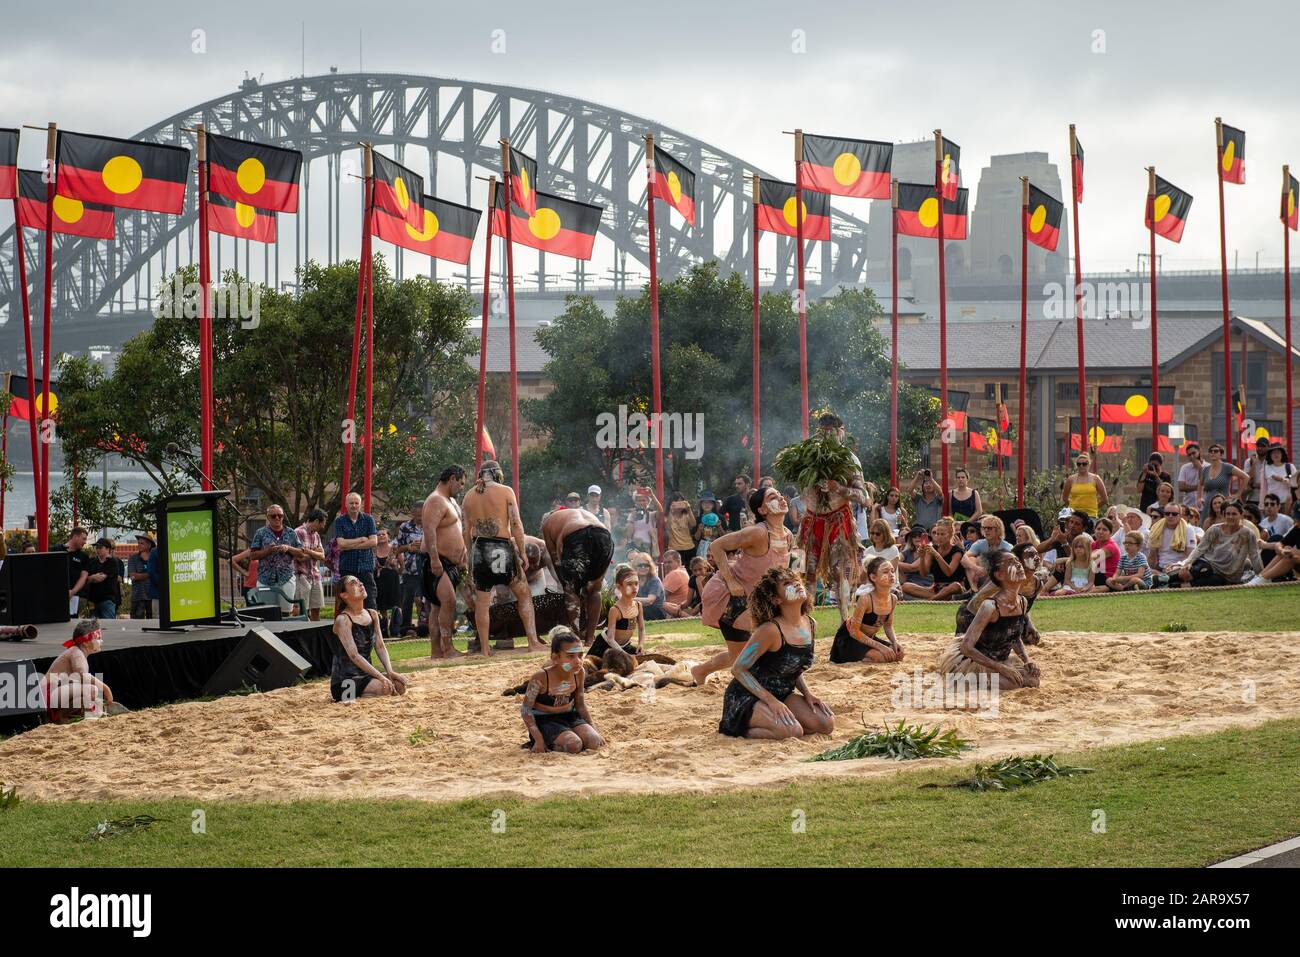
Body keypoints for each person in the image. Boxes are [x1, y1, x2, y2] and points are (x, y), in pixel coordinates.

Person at [692, 486, 795, 686]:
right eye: (773, 497)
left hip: (753, 597)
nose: (781, 498)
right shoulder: (757, 533)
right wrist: (731, 582)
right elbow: (716, 546)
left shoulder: (788, 535)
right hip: (727, 594)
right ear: (762, 510)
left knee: (738, 654)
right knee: (764, 640)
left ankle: (700, 670)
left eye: (780, 495)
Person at [718, 566, 833, 739]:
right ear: (776, 599)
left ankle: (779, 722)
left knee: (826, 723)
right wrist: (770, 701)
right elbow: (738, 669)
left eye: (796, 580)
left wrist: (807, 694)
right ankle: (736, 729)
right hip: (748, 697)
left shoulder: (810, 623)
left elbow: (791, 666)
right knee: (791, 731)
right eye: (788, 583)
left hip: (782, 693)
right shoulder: (770, 630)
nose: (796, 584)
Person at [796, 411, 872, 623]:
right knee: (802, 572)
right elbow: (800, 488)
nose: (826, 436)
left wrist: (838, 487)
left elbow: (864, 497)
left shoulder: (849, 459)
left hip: (839, 522)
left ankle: (844, 623)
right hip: (810, 522)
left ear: (841, 432)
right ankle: (801, 621)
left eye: (831, 432)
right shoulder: (807, 456)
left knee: (841, 575)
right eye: (822, 432)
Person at [462, 460, 541, 655]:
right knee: (524, 594)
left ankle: (485, 649)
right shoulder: (506, 491)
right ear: (497, 474)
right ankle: (532, 642)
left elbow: (465, 531)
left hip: (480, 549)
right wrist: (522, 552)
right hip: (501, 547)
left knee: (482, 602)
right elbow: (516, 523)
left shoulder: (469, 496)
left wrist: (471, 557)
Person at [937, 551, 1040, 689]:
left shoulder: (1022, 602)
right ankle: (966, 681)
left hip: (1000, 659)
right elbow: (966, 647)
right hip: (978, 661)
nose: (1018, 564)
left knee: (1033, 680)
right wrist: (1001, 669)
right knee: (1013, 683)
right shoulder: (990, 606)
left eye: (1017, 560)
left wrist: (1026, 660)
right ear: (999, 575)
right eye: (1010, 562)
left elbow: (1014, 637)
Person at [521, 627, 606, 754]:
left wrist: (594, 728)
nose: (578, 661)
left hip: (570, 716)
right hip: (546, 721)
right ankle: (552, 741)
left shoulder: (579, 673)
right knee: (573, 745)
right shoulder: (541, 677)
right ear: (555, 657)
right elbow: (526, 709)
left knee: (593, 741)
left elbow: (580, 704)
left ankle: (568, 734)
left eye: (580, 655)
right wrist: (538, 739)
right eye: (570, 656)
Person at [542, 505, 615, 646]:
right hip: (604, 537)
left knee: (571, 589)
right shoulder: (577, 514)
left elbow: (556, 560)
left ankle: (575, 638)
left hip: (577, 537)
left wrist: (567, 586)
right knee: (595, 589)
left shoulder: (548, 523)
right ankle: (589, 639)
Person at [329, 574, 408, 702]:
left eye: (360, 581)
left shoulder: (372, 614)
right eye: (353, 583)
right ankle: (355, 698)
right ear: (344, 595)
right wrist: (381, 677)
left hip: (366, 675)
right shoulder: (343, 620)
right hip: (345, 681)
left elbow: (380, 646)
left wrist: (390, 672)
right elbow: (354, 655)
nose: (360, 584)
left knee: (400, 686)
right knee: (385, 688)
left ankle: (366, 693)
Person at [421, 465, 469, 658]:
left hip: (449, 562)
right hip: (437, 560)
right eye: (461, 483)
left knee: (438, 606)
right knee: (447, 602)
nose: (462, 487)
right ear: (452, 479)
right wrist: (434, 559)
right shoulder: (435, 500)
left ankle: (436, 651)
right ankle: (447, 649)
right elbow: (429, 530)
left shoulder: (449, 501)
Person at [40, 618, 121, 722]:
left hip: (52, 694)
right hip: (49, 695)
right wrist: (106, 688)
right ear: (86, 642)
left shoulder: (77, 652)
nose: (102, 641)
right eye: (98, 638)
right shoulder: (77, 653)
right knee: (92, 690)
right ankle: (61, 716)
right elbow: (83, 676)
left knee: (86, 694)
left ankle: (65, 715)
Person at [1169, 499, 1262, 586]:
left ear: (1241, 515)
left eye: (1234, 514)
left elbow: (1254, 556)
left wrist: (1262, 576)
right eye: (1228, 514)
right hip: (1208, 564)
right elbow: (1200, 549)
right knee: (1199, 570)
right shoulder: (1214, 530)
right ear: (1224, 515)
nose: (1230, 517)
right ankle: (1164, 580)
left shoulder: (1248, 534)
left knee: (1215, 581)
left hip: (1227, 575)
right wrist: (1187, 564)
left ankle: (1176, 585)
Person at [831, 556, 903, 663]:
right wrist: (880, 647)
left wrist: (895, 641)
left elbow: (888, 625)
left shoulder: (893, 599)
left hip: (868, 639)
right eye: (885, 572)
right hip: (850, 640)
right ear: (873, 577)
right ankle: (855, 658)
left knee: (899, 654)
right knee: (880, 657)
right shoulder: (865, 599)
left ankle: (870, 655)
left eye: (892, 571)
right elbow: (854, 631)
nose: (891, 574)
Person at [243, 505, 304, 614]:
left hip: (286, 577)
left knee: (285, 612)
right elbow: (252, 555)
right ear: (268, 517)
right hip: (265, 579)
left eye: (280, 515)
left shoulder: (291, 533)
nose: (277, 518)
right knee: (267, 613)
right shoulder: (260, 533)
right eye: (273, 516)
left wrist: (288, 548)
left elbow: (301, 553)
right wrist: (268, 551)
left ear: (283, 517)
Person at [334, 492, 379, 620]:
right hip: (347, 567)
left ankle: (373, 630)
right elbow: (341, 544)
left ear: (360, 505)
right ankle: (346, 628)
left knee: (370, 599)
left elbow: (373, 542)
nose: (354, 506)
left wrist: (350, 545)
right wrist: (361, 539)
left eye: (356, 503)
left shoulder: (368, 519)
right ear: (346, 505)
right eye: (351, 503)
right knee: (345, 600)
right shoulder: (340, 521)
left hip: (365, 567)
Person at [588, 563, 644, 662]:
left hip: (624, 646)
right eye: (629, 584)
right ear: (619, 587)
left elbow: (641, 629)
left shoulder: (638, 605)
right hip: (605, 646)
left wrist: (640, 644)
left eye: (636, 583)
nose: (634, 587)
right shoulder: (615, 610)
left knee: (642, 659)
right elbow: (610, 639)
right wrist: (625, 655)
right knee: (592, 666)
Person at [292, 508, 328, 621]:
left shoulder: (316, 535)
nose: (323, 526)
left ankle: (315, 634)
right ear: (317, 521)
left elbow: (322, 556)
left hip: (315, 577)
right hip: (302, 576)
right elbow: (300, 557)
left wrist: (308, 551)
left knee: (316, 608)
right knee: (301, 610)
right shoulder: (298, 532)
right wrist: (315, 552)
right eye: (322, 523)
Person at [961, 514, 1013, 588]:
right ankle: (974, 590)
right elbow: (964, 558)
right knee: (972, 559)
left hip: (999, 578)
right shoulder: (980, 543)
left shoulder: (1007, 547)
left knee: (980, 559)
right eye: (984, 528)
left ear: (998, 530)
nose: (986, 530)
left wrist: (984, 569)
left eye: (989, 528)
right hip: (981, 575)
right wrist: (976, 568)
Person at [922, 518, 967, 600]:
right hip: (937, 587)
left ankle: (932, 600)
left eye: (942, 534)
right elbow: (924, 574)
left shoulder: (957, 552)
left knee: (955, 586)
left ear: (950, 534)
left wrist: (936, 554)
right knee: (906, 586)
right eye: (937, 534)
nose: (939, 537)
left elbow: (948, 572)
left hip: (952, 587)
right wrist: (922, 557)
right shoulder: (932, 549)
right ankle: (940, 597)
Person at [50, 526, 90, 616]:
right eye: (83, 539)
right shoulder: (56, 549)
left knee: (72, 619)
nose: (85, 542)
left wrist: (72, 592)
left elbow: (83, 576)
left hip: (73, 596)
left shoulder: (83, 556)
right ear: (75, 537)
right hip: (55, 593)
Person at [1148, 505, 1196, 577]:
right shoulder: (1156, 528)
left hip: (1180, 567)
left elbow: (1190, 555)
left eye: (1174, 514)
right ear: (1164, 515)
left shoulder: (1188, 529)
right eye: (1167, 513)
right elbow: (1152, 556)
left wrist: (1175, 566)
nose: (1170, 516)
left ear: (1180, 516)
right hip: (1161, 567)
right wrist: (1150, 569)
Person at [83, 538, 121, 620]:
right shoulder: (92, 561)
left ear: (108, 549)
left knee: (108, 625)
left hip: (107, 599)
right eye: (96, 548)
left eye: (100, 547)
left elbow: (100, 578)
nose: (98, 550)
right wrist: (92, 577)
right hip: (92, 599)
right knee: (93, 626)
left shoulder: (112, 562)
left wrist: (91, 578)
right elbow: (85, 579)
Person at [1062, 454, 1107, 518]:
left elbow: (1105, 499)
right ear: (1076, 465)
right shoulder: (1070, 479)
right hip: (1074, 515)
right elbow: (1065, 498)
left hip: (1091, 515)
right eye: (1079, 464)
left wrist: (1094, 507)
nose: (1081, 466)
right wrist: (1073, 507)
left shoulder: (1096, 478)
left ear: (1089, 464)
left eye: (1084, 464)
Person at [622, 486, 663, 559]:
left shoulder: (651, 514)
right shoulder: (632, 515)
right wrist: (632, 519)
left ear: (648, 502)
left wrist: (652, 495)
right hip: (635, 546)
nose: (641, 503)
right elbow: (628, 534)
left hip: (647, 547)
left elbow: (661, 511)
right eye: (639, 501)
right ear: (635, 502)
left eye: (644, 500)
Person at [633, 551, 674, 620]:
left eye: (646, 565)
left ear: (650, 566)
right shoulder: (634, 580)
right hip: (642, 610)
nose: (643, 567)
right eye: (640, 565)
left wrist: (629, 599)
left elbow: (650, 601)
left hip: (656, 613)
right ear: (635, 566)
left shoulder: (654, 580)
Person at [897, 526, 935, 599]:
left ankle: (935, 597)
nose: (917, 537)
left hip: (925, 583)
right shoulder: (907, 552)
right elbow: (896, 559)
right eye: (914, 536)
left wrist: (892, 562)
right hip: (909, 583)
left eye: (920, 535)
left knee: (905, 587)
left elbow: (912, 567)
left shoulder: (928, 551)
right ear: (911, 539)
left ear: (925, 538)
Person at [1258, 444, 1296, 513]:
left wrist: (1289, 482)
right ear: (1270, 455)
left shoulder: (1290, 467)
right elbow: (1275, 477)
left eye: (1278, 452)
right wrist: (1285, 480)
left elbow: (1296, 482)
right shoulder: (1267, 467)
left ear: (1282, 454)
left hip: (1287, 503)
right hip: (1272, 504)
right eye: (1273, 453)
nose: (1276, 455)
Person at [127, 534, 156, 619]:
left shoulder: (155, 558)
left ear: (149, 545)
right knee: (136, 623)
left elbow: (159, 573)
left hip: (152, 596)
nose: (139, 545)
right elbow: (133, 576)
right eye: (138, 543)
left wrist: (140, 575)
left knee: (153, 622)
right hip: (137, 596)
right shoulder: (133, 558)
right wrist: (151, 574)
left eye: (142, 543)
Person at [665, 492, 697, 566]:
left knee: (690, 571)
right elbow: (667, 526)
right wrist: (671, 511)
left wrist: (689, 509)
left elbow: (693, 524)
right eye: (677, 502)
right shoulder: (667, 515)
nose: (679, 504)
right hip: (674, 548)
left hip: (689, 547)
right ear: (671, 502)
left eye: (681, 502)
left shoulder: (686, 514)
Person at [1091, 517, 1121, 586]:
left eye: (1104, 530)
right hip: (1096, 575)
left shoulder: (1111, 546)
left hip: (1108, 578)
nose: (1100, 532)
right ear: (1094, 530)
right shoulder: (1093, 544)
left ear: (1110, 533)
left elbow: (1088, 558)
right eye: (1098, 529)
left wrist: (1062, 560)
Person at [694, 491, 723, 558]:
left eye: (709, 502)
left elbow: (724, 536)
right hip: (703, 548)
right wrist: (699, 529)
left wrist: (719, 527)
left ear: (713, 504)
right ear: (701, 505)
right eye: (704, 502)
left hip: (717, 545)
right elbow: (696, 538)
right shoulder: (698, 519)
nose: (707, 505)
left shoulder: (719, 518)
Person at [1177, 442, 1205, 509]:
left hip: (1204, 506)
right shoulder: (1185, 468)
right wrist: (1199, 487)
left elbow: (1206, 485)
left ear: (1199, 452)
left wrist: (1200, 468)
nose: (1192, 456)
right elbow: (1181, 487)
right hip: (1188, 506)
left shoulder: (1208, 466)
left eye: (1194, 453)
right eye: (1189, 455)